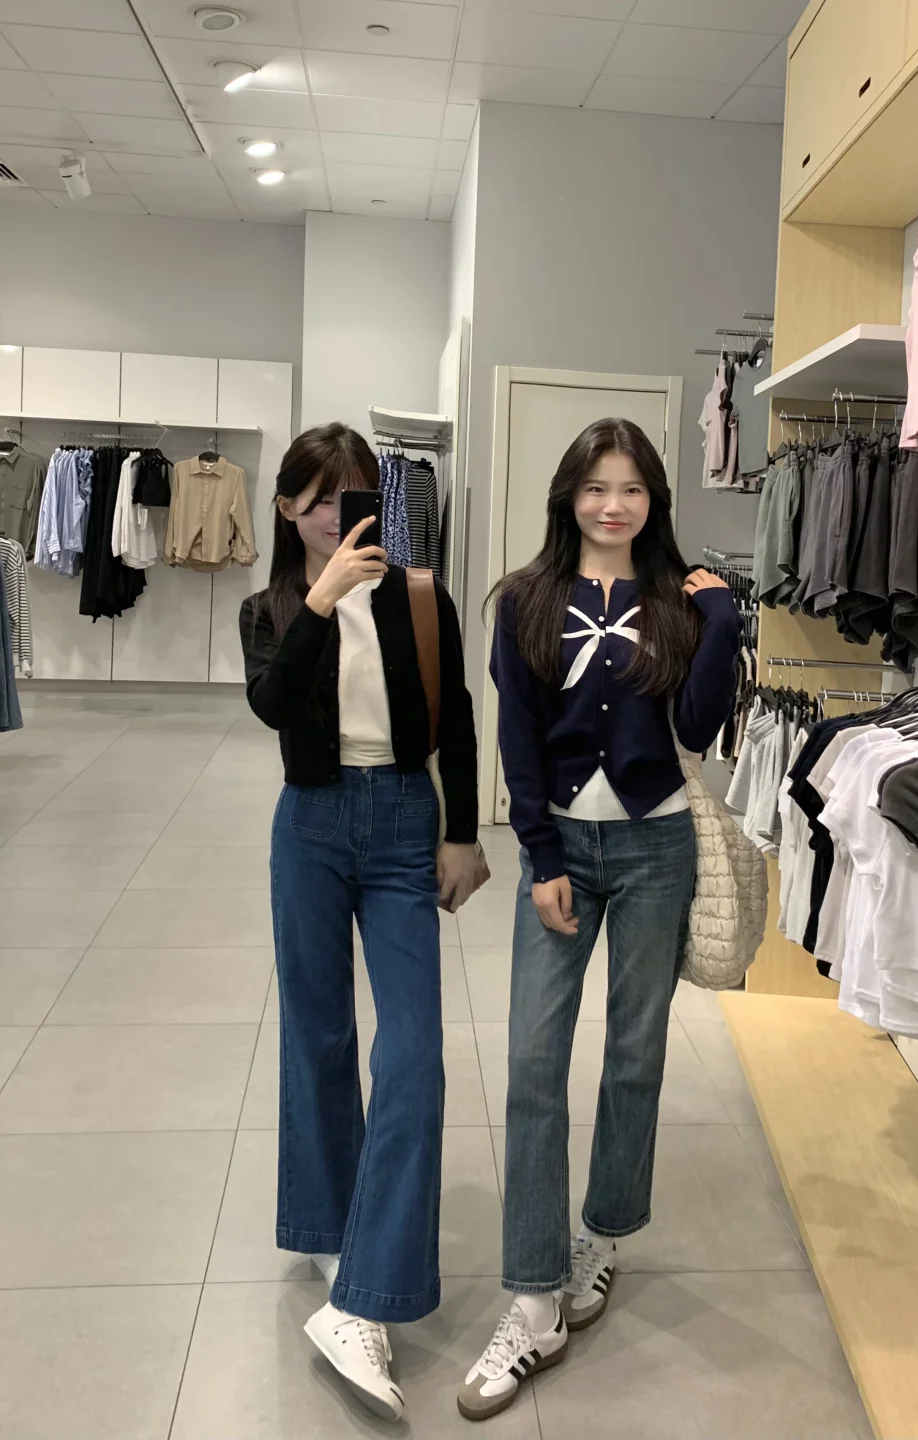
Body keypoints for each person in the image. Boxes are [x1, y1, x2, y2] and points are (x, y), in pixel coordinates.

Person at [459, 417, 740, 1421]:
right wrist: (539, 855)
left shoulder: (680, 604)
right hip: (563, 853)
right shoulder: (526, 601)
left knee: (635, 1054)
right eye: (594, 487)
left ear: (654, 499)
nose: (612, 505)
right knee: (535, 1062)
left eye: (631, 488)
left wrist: (725, 624)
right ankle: (533, 1299)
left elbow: (699, 725)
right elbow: (517, 737)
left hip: (659, 849)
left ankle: (604, 1235)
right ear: (567, 496)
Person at [239, 422, 482, 1424]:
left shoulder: (420, 598)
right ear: (287, 507)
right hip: (309, 821)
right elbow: (270, 705)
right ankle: (332, 1230)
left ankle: (362, 1301)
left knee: (415, 1052)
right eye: (316, 499)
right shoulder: (269, 607)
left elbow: (456, 713)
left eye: (354, 494)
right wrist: (322, 598)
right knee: (320, 1035)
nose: (334, 515)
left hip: (401, 819)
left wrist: (462, 832)